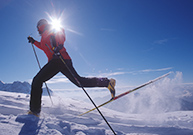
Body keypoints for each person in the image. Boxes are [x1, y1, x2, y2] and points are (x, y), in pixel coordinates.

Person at [27, 19, 116, 115]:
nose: (37, 31)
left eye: (37, 28)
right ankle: (107, 82)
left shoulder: (51, 30)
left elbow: (61, 32)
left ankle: (34, 111)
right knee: (79, 82)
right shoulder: (43, 38)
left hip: (59, 60)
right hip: (58, 61)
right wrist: (34, 42)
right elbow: (43, 46)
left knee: (37, 80)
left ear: (40, 26)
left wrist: (59, 46)